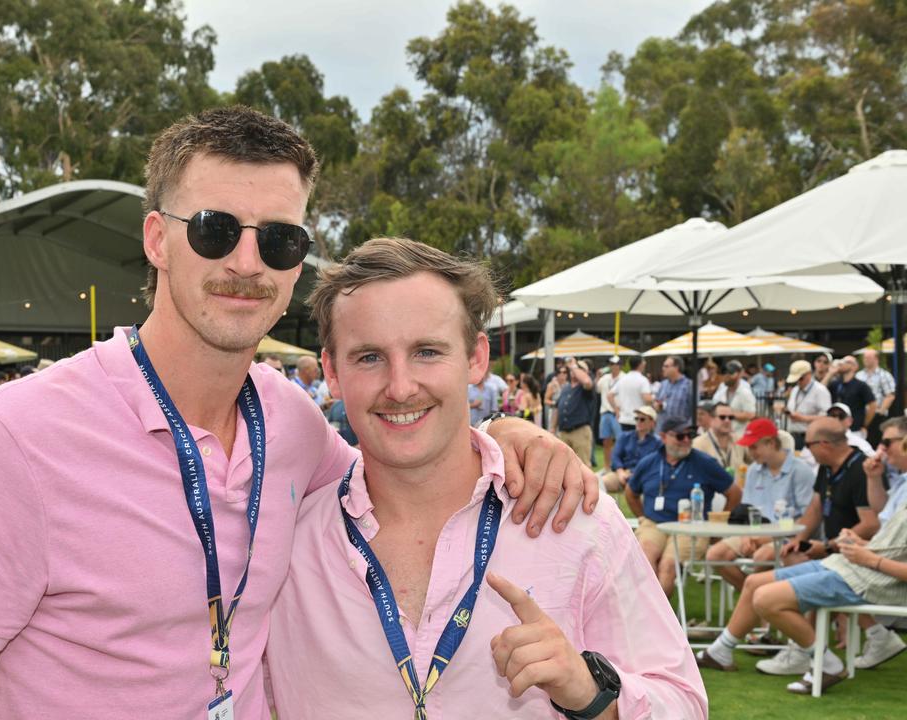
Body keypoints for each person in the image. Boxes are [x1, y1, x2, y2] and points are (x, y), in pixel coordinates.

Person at [0, 106, 599, 719]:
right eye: (216, 230)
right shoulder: (16, 440)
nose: (248, 263)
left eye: (279, 239)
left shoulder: (291, 425)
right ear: (158, 239)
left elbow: (409, 467)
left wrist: (511, 435)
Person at [265, 237, 706, 718]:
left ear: (476, 358)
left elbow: (684, 702)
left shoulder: (573, 514)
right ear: (331, 370)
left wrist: (594, 694)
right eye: (369, 357)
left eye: (428, 352)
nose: (400, 386)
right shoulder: (284, 539)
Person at [696, 428, 907, 693]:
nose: (881, 448)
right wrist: (863, 545)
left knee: (765, 597)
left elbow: (874, 531)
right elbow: (885, 530)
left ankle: (823, 661)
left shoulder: (836, 470)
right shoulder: (900, 482)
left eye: (888, 442)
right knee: (754, 582)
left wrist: (869, 557)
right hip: (852, 564)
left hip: (870, 577)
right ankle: (720, 651)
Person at [626, 417, 742, 596]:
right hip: (653, 524)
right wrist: (642, 516)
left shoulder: (704, 463)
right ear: (664, 437)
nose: (687, 440)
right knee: (645, 560)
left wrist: (717, 527)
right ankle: (647, 616)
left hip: (690, 528)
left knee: (668, 565)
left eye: (690, 435)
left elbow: (734, 492)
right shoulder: (649, 462)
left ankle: (657, 620)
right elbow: (631, 492)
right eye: (680, 436)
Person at [705, 418, 814, 594]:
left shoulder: (801, 471)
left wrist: (768, 537)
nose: (750, 452)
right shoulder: (754, 470)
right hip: (755, 532)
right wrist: (750, 535)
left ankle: (756, 602)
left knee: (761, 557)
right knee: (714, 556)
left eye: (754, 446)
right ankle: (755, 600)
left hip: (788, 537)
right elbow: (747, 511)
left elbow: (808, 516)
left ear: (771, 443)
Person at [779, 418, 878, 567]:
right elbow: (816, 507)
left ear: (823, 445)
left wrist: (828, 547)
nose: (806, 450)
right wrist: (798, 540)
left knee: (768, 581)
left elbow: (870, 524)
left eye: (808, 445)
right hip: (832, 548)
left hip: (855, 554)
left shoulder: (861, 469)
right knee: (790, 556)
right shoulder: (826, 467)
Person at [600, 405, 660, 493]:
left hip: (644, 478)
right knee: (598, 484)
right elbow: (615, 456)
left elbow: (655, 465)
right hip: (621, 474)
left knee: (651, 492)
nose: (638, 422)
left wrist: (633, 473)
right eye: (636, 418)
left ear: (652, 423)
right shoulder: (625, 436)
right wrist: (620, 472)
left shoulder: (658, 443)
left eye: (642, 419)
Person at [555, 357, 596, 466]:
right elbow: (557, 408)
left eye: (579, 368)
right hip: (564, 432)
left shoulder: (586, 386)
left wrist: (573, 366)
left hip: (580, 431)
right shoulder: (566, 387)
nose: (574, 371)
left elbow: (587, 381)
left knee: (583, 467)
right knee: (563, 467)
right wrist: (552, 428)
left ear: (586, 372)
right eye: (574, 369)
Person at [693, 401, 749, 480]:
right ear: (711, 419)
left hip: (737, 490)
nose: (727, 421)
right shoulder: (698, 444)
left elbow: (756, 462)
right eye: (722, 417)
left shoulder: (740, 441)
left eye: (731, 418)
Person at [785, 359, 831, 450]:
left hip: (811, 438)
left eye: (800, 378)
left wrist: (803, 418)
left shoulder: (820, 390)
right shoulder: (795, 389)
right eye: (796, 379)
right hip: (794, 435)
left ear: (809, 374)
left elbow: (827, 417)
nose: (798, 382)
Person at [827, 355, 878, 437]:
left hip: (854, 430)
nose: (842, 364)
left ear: (855, 367)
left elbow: (873, 405)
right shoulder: (835, 383)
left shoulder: (861, 385)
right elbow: (819, 390)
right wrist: (830, 373)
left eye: (847, 362)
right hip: (835, 428)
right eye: (842, 361)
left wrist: (864, 424)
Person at [857, 348, 896, 446]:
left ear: (876, 359)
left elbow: (890, 395)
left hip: (877, 417)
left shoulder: (884, 375)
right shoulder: (859, 375)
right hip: (861, 415)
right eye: (864, 357)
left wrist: (880, 412)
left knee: (876, 443)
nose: (865, 359)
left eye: (869, 357)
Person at [711, 359, 757, 436]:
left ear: (740, 374)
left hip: (739, 435)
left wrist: (729, 414)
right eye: (724, 373)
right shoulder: (721, 390)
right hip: (723, 434)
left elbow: (751, 414)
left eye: (730, 373)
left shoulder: (745, 392)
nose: (726, 376)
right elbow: (714, 409)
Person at [648, 355, 693, 430]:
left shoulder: (689, 385)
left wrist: (688, 430)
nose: (663, 369)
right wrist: (657, 405)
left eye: (666, 366)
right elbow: (656, 403)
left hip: (680, 433)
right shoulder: (663, 384)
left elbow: (694, 411)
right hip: (662, 431)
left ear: (676, 367)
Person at [608, 357, 649, 433]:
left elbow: (610, 395)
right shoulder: (643, 380)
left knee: (627, 443)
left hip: (624, 419)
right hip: (639, 419)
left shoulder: (623, 379)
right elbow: (647, 399)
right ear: (640, 365)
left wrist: (616, 411)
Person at [597, 356, 623, 470]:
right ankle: (607, 467)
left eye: (615, 364)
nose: (613, 366)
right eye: (611, 364)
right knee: (606, 441)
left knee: (620, 442)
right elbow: (597, 390)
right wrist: (598, 376)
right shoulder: (604, 378)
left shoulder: (624, 378)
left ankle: (618, 467)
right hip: (605, 413)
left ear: (619, 365)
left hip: (619, 413)